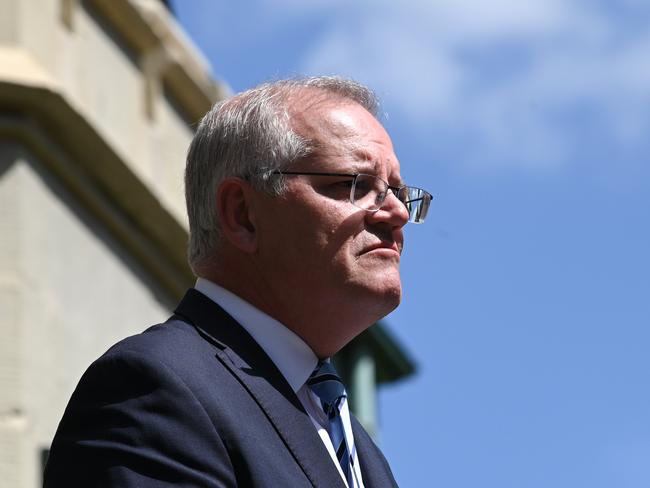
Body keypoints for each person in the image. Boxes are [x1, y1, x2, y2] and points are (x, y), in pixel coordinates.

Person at [44, 76, 432, 487]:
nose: (397, 213)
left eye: (397, 192)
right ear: (242, 213)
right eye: (355, 184)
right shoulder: (153, 389)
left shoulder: (360, 453)